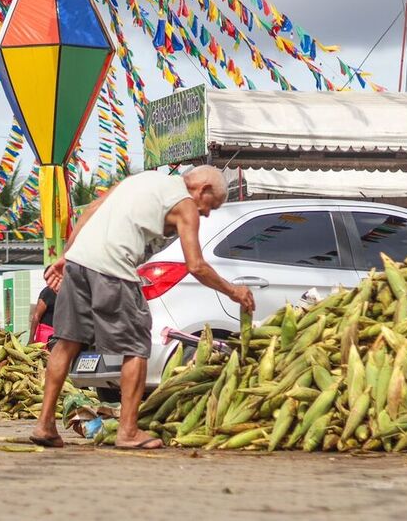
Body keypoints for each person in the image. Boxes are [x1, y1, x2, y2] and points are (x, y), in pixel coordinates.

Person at [29, 166, 256, 451]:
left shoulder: (142, 179)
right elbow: (196, 265)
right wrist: (234, 291)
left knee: (66, 342)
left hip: (79, 262)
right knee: (136, 347)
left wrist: (67, 254)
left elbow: (94, 208)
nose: (207, 213)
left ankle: (44, 424)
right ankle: (128, 431)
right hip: (113, 269)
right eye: (212, 206)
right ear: (203, 190)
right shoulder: (185, 204)